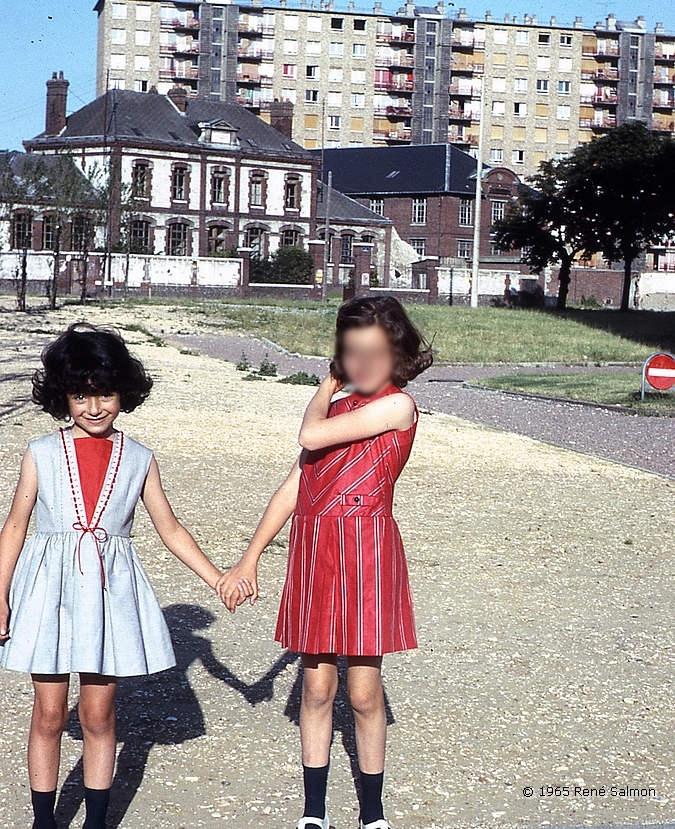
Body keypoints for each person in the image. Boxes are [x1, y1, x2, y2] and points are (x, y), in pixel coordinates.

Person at [218, 296, 433, 829]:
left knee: (363, 693)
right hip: (315, 553)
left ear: (397, 353)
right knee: (316, 687)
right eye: (352, 350)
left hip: (366, 550)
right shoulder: (337, 410)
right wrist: (249, 559)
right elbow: (292, 488)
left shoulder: (396, 406)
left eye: (375, 352)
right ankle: (314, 812)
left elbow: (308, 435)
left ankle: (372, 813)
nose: (362, 363)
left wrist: (323, 385)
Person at [0, 323, 224, 829]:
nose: (94, 407)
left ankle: (97, 822)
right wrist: (0, 596)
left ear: (124, 391)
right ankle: (44, 820)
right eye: (80, 395)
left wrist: (218, 578)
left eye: (105, 393)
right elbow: (14, 525)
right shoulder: (40, 452)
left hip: (107, 593)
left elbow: (169, 527)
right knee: (49, 714)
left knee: (99, 717)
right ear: (62, 395)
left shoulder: (140, 458)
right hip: (48, 592)